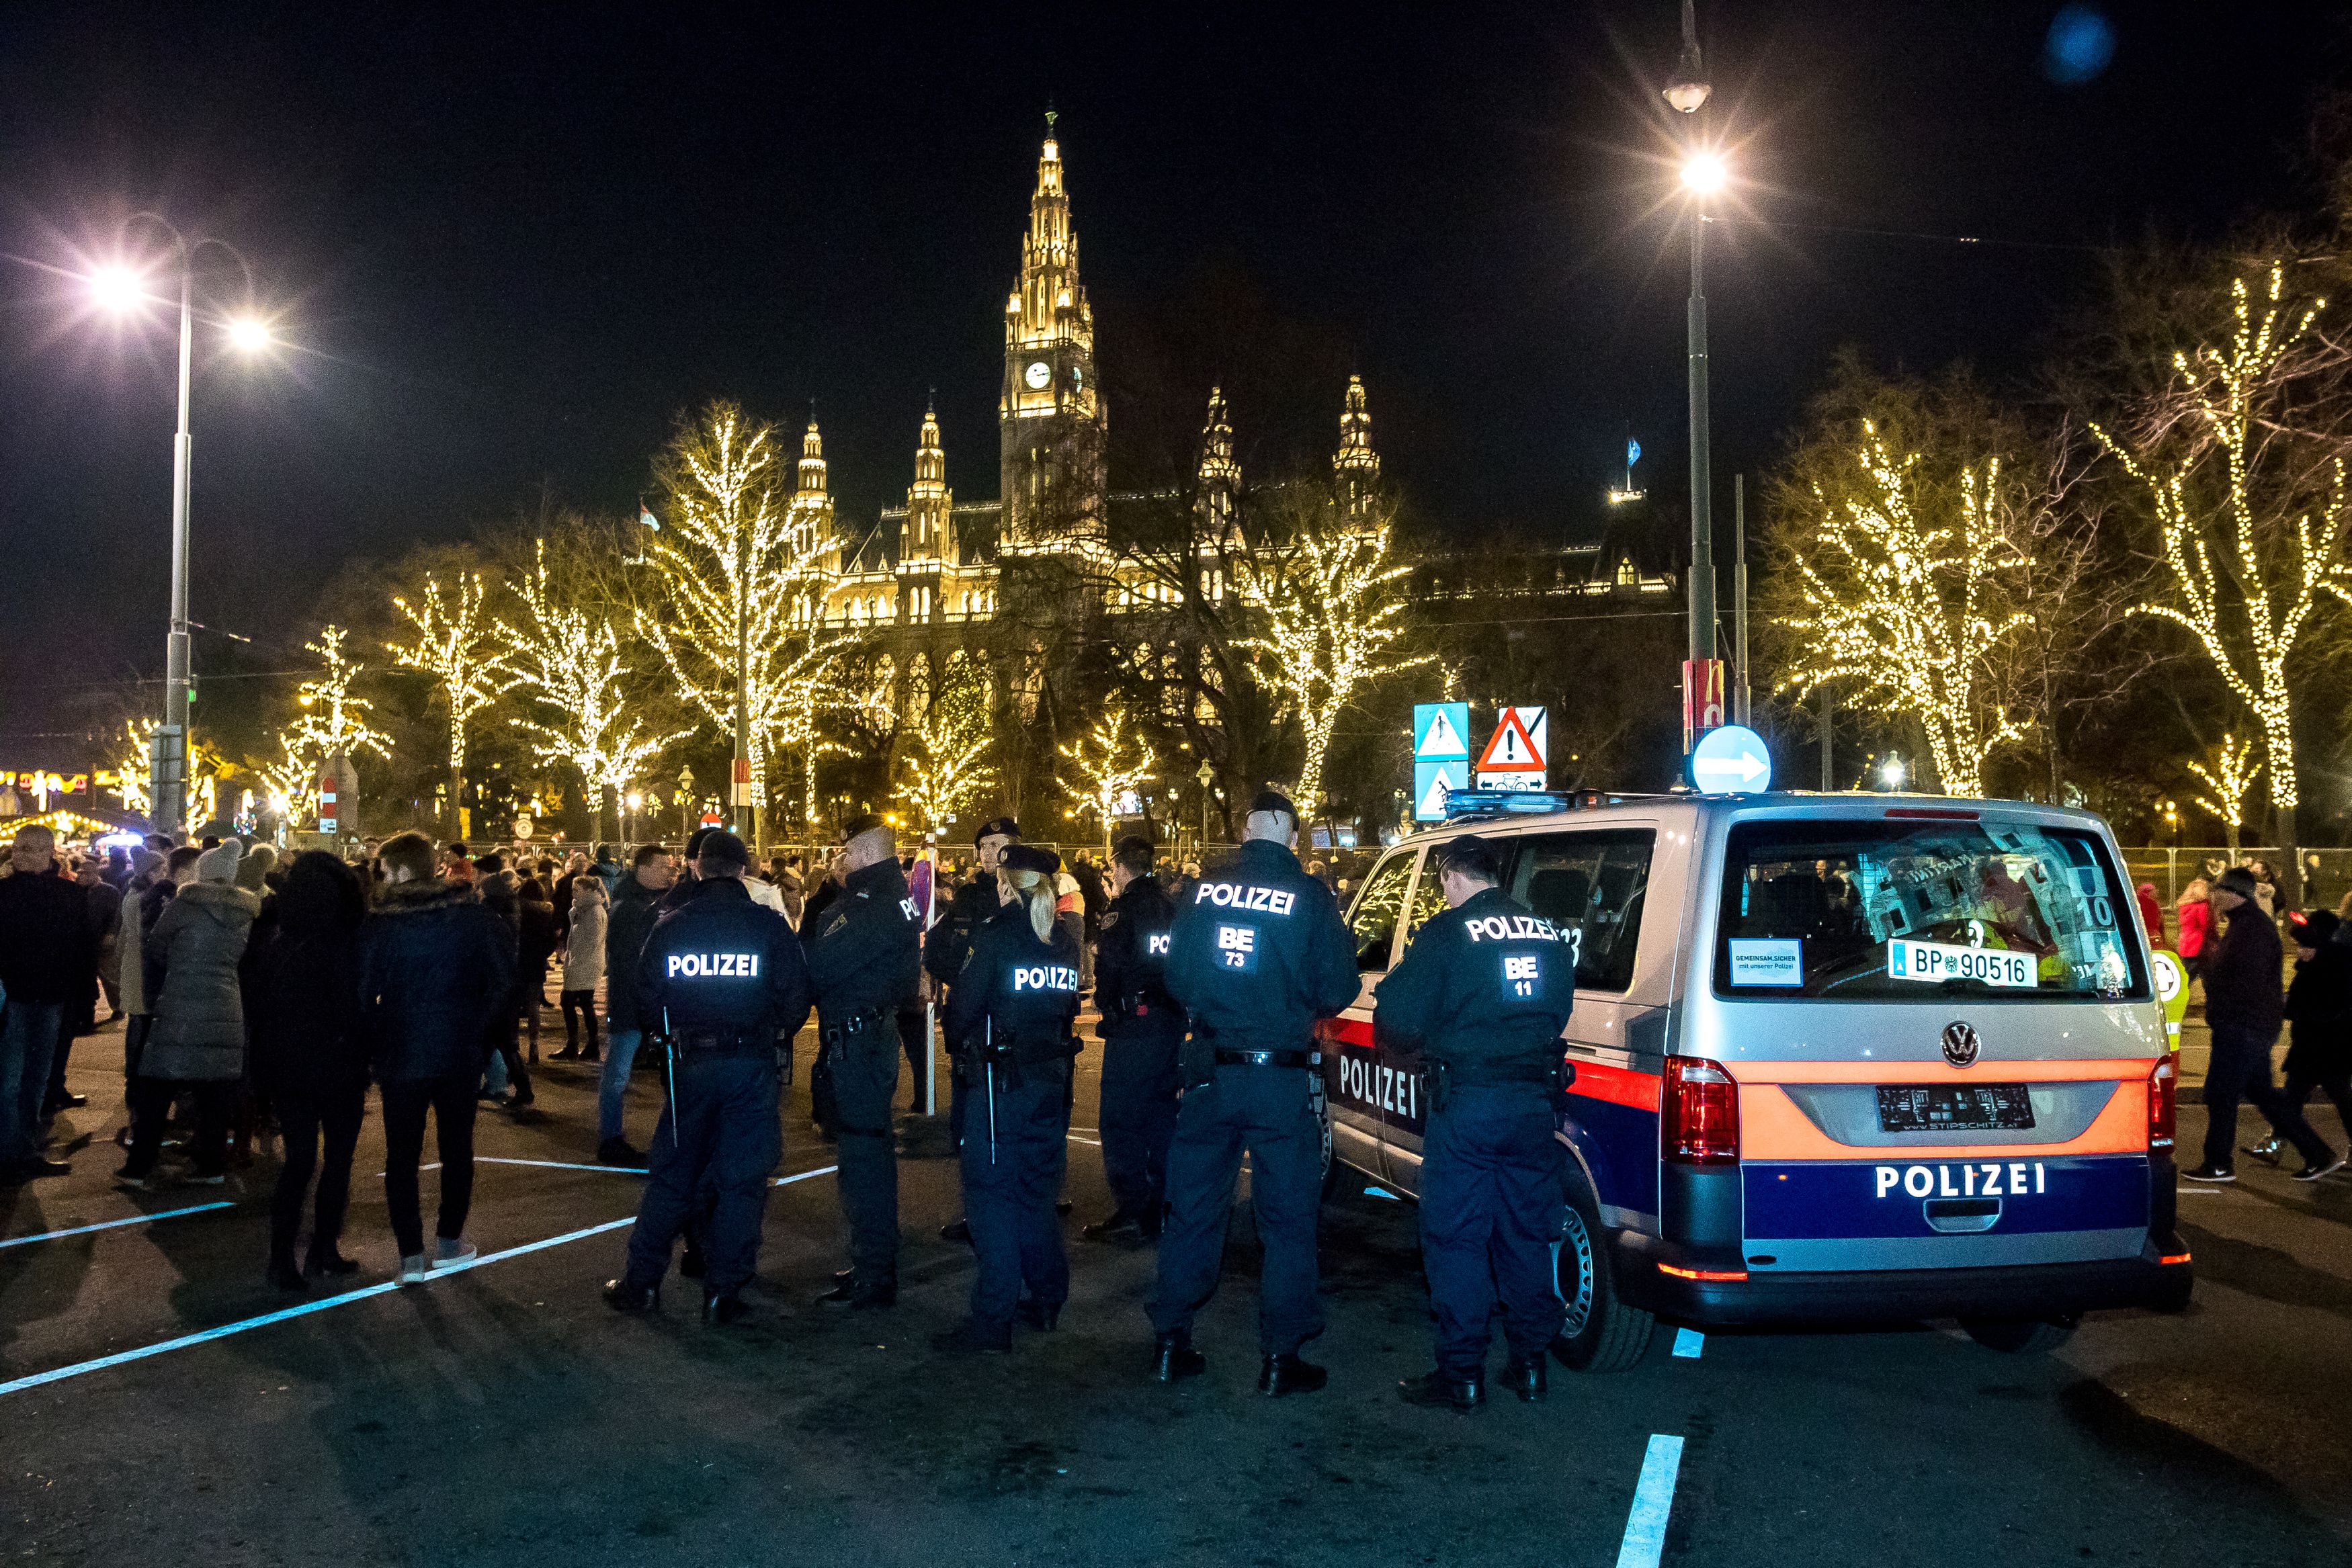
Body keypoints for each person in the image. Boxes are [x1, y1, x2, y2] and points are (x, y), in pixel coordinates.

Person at [1148, 789, 1359, 1395]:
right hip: (1279, 1077)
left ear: (1245, 832)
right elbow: (1339, 987)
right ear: (1291, 837)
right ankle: (1280, 1357)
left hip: (1210, 1071)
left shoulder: (1203, 891)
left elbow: (1177, 975)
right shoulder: (1312, 900)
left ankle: (1170, 1339)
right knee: (1288, 1219)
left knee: (1193, 1208)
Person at [1372, 834, 1577, 1411]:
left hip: (1468, 1102)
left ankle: (1462, 1372)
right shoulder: (1546, 931)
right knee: (1526, 1232)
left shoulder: (1447, 933)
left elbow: (1399, 1019)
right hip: (1533, 1105)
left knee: (1458, 1236)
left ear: (1452, 877)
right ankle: (1531, 1363)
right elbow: (1558, 1008)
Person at [603, 830, 811, 1323]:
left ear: (698, 868)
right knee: (742, 1180)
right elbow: (796, 1000)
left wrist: (674, 1036)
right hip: (749, 1064)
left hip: (690, 1065)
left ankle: (642, 1282)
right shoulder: (767, 926)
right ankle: (725, 1291)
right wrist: (768, 1030)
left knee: (673, 1176)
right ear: (743, 872)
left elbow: (647, 996)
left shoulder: (671, 926)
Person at [933, 844, 1083, 1353]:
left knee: (992, 1198)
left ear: (1005, 884)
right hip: (1050, 1082)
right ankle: (1046, 1295)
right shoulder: (1063, 942)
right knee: (1034, 1194)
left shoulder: (995, 938)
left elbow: (962, 1015)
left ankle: (993, 1318)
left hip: (999, 1088)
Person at [358, 830, 516, 1283]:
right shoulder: (469, 917)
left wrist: (375, 1043)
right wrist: (477, 1030)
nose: (378, 876)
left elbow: (362, 994)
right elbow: (503, 980)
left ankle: (410, 1255)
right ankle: (449, 1240)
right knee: (456, 1149)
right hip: (457, 1050)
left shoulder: (381, 924)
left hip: (402, 1050)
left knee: (402, 1155)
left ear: (402, 870)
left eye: (383, 868)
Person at [804, 813, 923, 1308]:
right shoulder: (888, 895)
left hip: (861, 1042)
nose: (839, 860)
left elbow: (818, 966)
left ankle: (874, 1273)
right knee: (866, 1154)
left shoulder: (868, 905)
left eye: (845, 852)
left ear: (868, 852)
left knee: (863, 1160)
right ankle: (873, 1263)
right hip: (871, 1035)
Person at [247, 851, 368, 1289]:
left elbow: (257, 1006)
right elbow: (357, 1004)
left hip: (290, 1065)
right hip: (339, 1063)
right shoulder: (349, 940)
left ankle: (284, 1259)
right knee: (337, 1160)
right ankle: (324, 1248)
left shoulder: (276, 938)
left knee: (300, 1162)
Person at [2186, 866, 2341, 1183]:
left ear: (2233, 894)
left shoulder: (2251, 930)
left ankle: (2218, 1164)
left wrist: (2208, 964)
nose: (2213, 896)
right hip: (2249, 1023)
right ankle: (2317, 1153)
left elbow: (2241, 980)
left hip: (2243, 1025)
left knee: (2221, 1092)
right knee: (2263, 1093)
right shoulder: (2247, 926)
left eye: (2217, 891)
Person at [122, 840, 259, 1188]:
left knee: (155, 1088)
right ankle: (210, 1167)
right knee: (213, 1096)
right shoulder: (246, 911)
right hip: (227, 1004)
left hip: (179, 1003)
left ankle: (139, 1167)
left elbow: (156, 945)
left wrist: (180, 967)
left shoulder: (185, 904)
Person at [923, 816, 1021, 1243]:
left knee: (1018, 1122)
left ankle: (1024, 1201)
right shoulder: (967, 898)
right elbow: (938, 952)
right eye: (990, 845)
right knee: (971, 1126)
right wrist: (966, 980)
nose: (997, 853)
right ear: (978, 851)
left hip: (1016, 1030)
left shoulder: (1030, 896)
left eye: (1006, 845)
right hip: (973, 1029)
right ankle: (977, 1209)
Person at [1083, 834, 1184, 1243]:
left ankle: (1132, 1209)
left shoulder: (1122, 912)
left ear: (1121, 867)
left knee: (1121, 1120)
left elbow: (1108, 970)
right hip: (1170, 1022)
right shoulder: (1172, 908)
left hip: (1135, 1023)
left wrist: (1107, 1008)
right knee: (1162, 1116)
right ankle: (1162, 1206)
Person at [0, 825, 98, 1180]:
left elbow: (82, 948)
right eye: (19, 847)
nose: (22, 854)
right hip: (15, 998)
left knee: (36, 1078)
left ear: (48, 854)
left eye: (32, 849)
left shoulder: (67, 894)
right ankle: (12, 1153)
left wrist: (83, 994)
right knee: (12, 1080)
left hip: (51, 997)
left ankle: (22, 1148)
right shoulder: (6, 892)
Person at [598, 843, 676, 1164]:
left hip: (643, 1001)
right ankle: (610, 1140)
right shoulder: (630, 908)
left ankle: (620, 1138)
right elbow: (632, 961)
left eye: (670, 868)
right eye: (662, 867)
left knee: (629, 1072)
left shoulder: (643, 902)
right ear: (641, 868)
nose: (668, 874)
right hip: (632, 1002)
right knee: (617, 1074)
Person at [475, 864, 540, 1121]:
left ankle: (522, 1091)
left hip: (500, 988)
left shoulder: (492, 917)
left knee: (503, 1042)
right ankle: (497, 1086)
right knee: (496, 1041)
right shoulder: (508, 911)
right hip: (508, 986)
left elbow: (491, 954)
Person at [556, 874, 608, 1062]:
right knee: (582, 1003)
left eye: (577, 890)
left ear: (588, 891)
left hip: (585, 964)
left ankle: (581, 1044)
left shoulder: (594, 912)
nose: (573, 893)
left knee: (572, 1002)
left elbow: (591, 941)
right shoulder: (584, 910)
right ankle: (583, 1045)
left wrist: (576, 960)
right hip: (581, 962)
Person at [516, 872, 560, 1061]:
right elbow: (552, 940)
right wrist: (542, 954)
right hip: (536, 963)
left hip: (518, 961)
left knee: (514, 1005)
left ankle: (515, 1046)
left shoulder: (518, 912)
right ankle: (534, 1044)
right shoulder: (545, 914)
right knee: (534, 1005)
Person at [2175, 879, 2214, 981]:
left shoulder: (2184, 904)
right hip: (2198, 943)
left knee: (2187, 971)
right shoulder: (2202, 906)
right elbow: (2204, 924)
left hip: (2185, 943)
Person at [2134, 882, 2167, 948]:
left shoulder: (2134, 902)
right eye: (2154, 891)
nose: (2156, 893)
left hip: (2139, 935)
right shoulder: (2152, 904)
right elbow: (2157, 922)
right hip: (2152, 935)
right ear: (2148, 892)